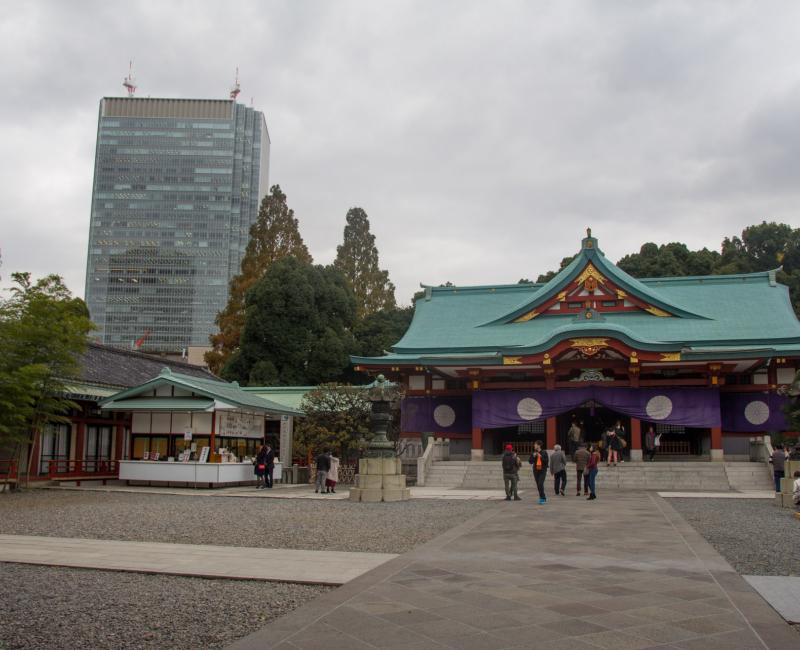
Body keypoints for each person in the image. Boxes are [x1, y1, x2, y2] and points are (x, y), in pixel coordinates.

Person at [529, 440, 549, 504]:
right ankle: (542, 497)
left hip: (542, 470)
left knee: (540, 483)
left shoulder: (544, 452)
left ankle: (542, 498)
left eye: (535, 444)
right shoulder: (533, 453)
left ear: (539, 445)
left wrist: (541, 457)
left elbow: (546, 461)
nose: (534, 446)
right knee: (538, 485)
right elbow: (530, 461)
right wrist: (533, 456)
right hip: (536, 470)